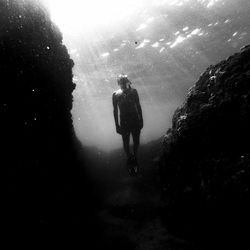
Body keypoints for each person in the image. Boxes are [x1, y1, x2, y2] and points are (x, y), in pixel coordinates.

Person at [112, 74, 143, 168]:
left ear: (127, 82)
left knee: (136, 141)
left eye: (124, 81)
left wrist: (141, 119)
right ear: (118, 83)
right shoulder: (115, 94)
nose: (123, 83)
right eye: (121, 82)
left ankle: (134, 156)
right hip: (124, 122)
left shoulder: (134, 91)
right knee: (126, 143)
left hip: (135, 120)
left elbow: (138, 106)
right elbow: (115, 110)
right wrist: (116, 125)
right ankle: (129, 157)